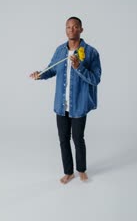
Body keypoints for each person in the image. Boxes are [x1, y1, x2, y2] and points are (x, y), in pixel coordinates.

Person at [30, 17, 102, 184]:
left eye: (75, 27)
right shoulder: (60, 51)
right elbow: (51, 69)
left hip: (79, 104)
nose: (71, 30)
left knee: (78, 139)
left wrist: (79, 67)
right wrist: (39, 75)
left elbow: (95, 79)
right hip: (61, 105)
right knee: (63, 139)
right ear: (65, 30)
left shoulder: (91, 52)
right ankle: (68, 172)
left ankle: (82, 170)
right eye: (68, 27)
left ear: (81, 29)